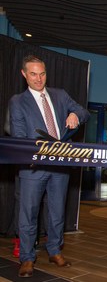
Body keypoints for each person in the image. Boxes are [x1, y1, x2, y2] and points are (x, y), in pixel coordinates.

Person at [9, 55, 90, 278]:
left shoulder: (60, 95)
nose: (39, 78)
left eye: (42, 73)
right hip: (33, 166)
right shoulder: (18, 101)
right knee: (29, 213)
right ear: (24, 74)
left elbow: (84, 112)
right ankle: (26, 257)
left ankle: (55, 250)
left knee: (57, 211)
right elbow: (18, 137)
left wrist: (74, 114)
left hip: (60, 165)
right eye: (33, 74)